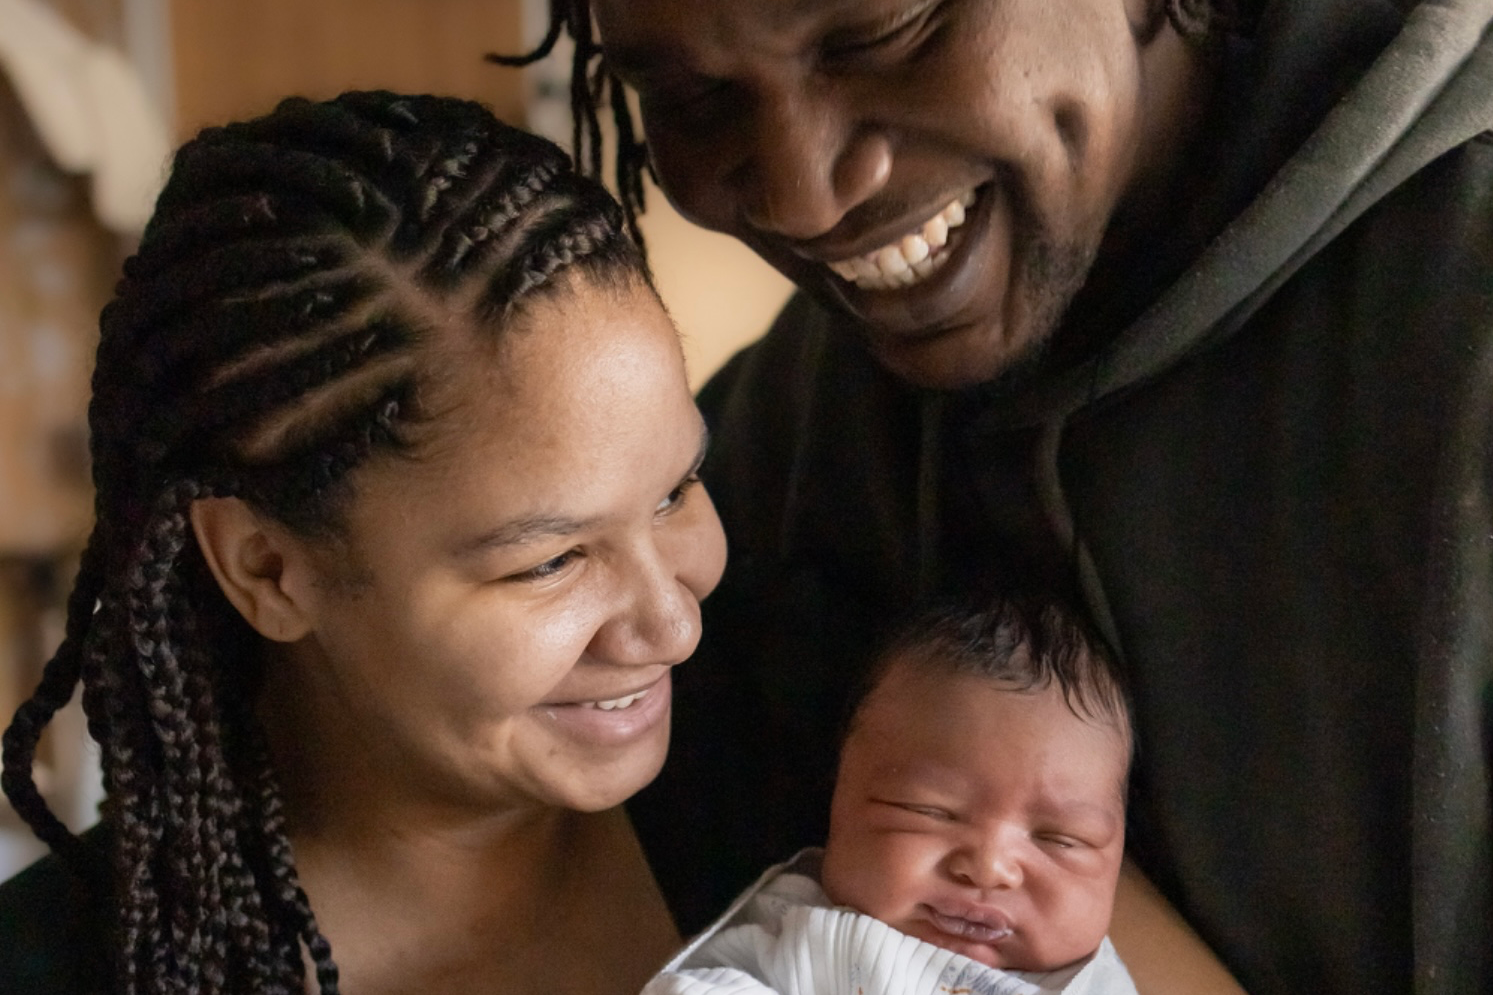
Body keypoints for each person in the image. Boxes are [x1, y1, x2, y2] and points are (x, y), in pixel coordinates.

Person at [499, 0, 1493, 991]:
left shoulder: (1453, 321)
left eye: (877, 38)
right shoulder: (802, 421)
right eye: (689, 95)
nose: (803, 197)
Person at [0, 90, 728, 995]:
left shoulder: (825, 813)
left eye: (675, 493)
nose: (672, 627)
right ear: (267, 570)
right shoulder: (53, 969)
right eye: (549, 560)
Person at [644, 597, 1139, 995]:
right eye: (928, 811)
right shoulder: (804, 934)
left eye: (1062, 838)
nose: (989, 868)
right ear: (838, 801)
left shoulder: (1094, 982)